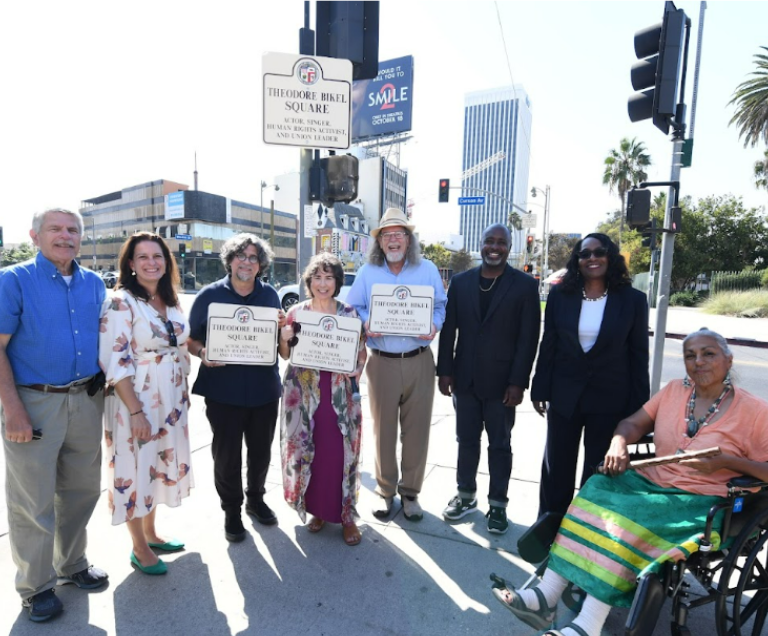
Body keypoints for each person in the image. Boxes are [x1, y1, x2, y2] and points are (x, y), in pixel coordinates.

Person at [495, 328, 768, 636]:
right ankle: (546, 595)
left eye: (709, 354)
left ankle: (588, 625)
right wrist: (619, 442)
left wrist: (728, 462)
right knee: (595, 489)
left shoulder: (755, 411)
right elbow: (633, 423)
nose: (699, 362)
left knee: (628, 519)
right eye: (690, 355)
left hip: (704, 502)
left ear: (728, 360)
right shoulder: (675, 391)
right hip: (653, 485)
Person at [0, 208, 108, 622]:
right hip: (34, 402)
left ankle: (72, 564)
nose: (65, 236)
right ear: (34, 235)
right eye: (55, 229)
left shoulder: (94, 283)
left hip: (85, 399)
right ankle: (36, 586)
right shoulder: (15, 281)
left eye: (73, 230)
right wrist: (13, 410)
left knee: (82, 490)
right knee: (33, 499)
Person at [530, 232, 649, 518]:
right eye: (585, 254)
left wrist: (638, 411)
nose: (592, 258)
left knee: (598, 471)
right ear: (577, 260)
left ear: (611, 257)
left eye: (599, 252)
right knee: (556, 467)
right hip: (565, 396)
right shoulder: (561, 295)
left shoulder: (633, 300)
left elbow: (638, 356)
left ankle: (586, 532)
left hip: (609, 400)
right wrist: (540, 388)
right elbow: (550, 344)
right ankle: (548, 529)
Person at [99, 232, 193, 575]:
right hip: (135, 398)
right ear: (130, 264)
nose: (152, 262)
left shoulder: (170, 299)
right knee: (134, 468)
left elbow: (180, 343)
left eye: (158, 256)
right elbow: (115, 359)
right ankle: (138, 547)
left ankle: (151, 534)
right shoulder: (121, 301)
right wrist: (135, 411)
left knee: (156, 465)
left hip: (170, 395)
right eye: (143, 257)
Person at [437, 224, 540, 534]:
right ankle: (466, 495)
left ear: (510, 247)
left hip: (502, 384)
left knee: (500, 445)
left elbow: (528, 339)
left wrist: (518, 382)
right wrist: (444, 371)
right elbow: (449, 330)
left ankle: (498, 506)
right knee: (466, 441)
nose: (494, 247)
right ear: (479, 245)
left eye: (501, 242)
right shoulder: (461, 282)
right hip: (464, 380)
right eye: (489, 241)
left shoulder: (524, 286)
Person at [346, 208, 447, 521]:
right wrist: (367, 323)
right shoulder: (367, 273)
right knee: (384, 431)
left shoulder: (427, 269)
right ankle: (386, 492)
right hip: (383, 362)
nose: (393, 240)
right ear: (379, 242)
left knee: (417, 432)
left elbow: (441, 307)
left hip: (419, 360)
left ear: (408, 239)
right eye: (386, 235)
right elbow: (353, 307)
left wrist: (433, 325)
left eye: (398, 234)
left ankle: (411, 494)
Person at [188, 234, 286, 542]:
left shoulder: (271, 295)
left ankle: (256, 499)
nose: (246, 262)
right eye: (240, 256)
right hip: (223, 392)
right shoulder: (209, 295)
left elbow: (280, 344)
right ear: (230, 260)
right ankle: (231, 510)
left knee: (260, 453)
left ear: (261, 264)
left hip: (263, 390)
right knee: (226, 455)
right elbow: (191, 339)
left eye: (253, 257)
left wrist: (285, 330)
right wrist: (202, 353)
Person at [278, 253, 367, 546]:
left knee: (340, 453)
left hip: (339, 392)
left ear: (337, 282)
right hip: (303, 392)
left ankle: (346, 517)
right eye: (317, 277)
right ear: (309, 281)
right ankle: (316, 510)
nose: (323, 283)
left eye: (329, 277)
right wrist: (285, 336)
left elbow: (361, 352)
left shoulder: (350, 314)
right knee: (307, 449)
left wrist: (359, 368)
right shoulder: (297, 313)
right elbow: (285, 354)